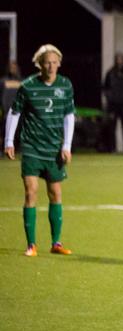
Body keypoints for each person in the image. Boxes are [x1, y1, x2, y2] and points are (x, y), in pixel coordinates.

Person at [4, 44, 75, 257]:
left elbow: (69, 116)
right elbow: (14, 112)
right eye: (47, 62)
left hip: (54, 149)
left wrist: (67, 146)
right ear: (40, 64)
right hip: (32, 147)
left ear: (59, 63)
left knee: (55, 193)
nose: (52, 66)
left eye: (55, 62)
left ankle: (56, 243)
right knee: (31, 192)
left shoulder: (65, 85)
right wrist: (9, 141)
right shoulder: (28, 86)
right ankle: (31, 245)